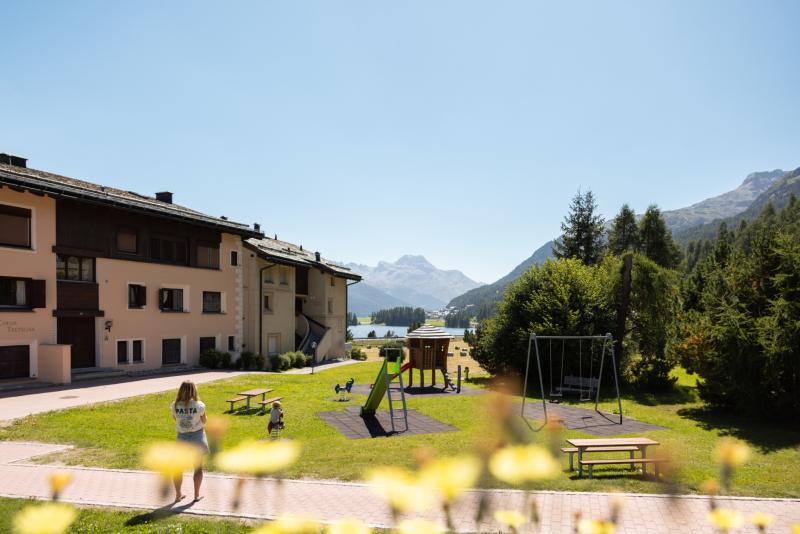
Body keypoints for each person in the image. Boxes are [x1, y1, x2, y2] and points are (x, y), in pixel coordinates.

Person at [171, 380, 208, 502]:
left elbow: (176, 419)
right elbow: (204, 421)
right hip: (197, 437)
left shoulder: (174, 405)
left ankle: (178, 494)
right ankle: (196, 495)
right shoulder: (199, 405)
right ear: (194, 390)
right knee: (198, 468)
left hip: (182, 438)